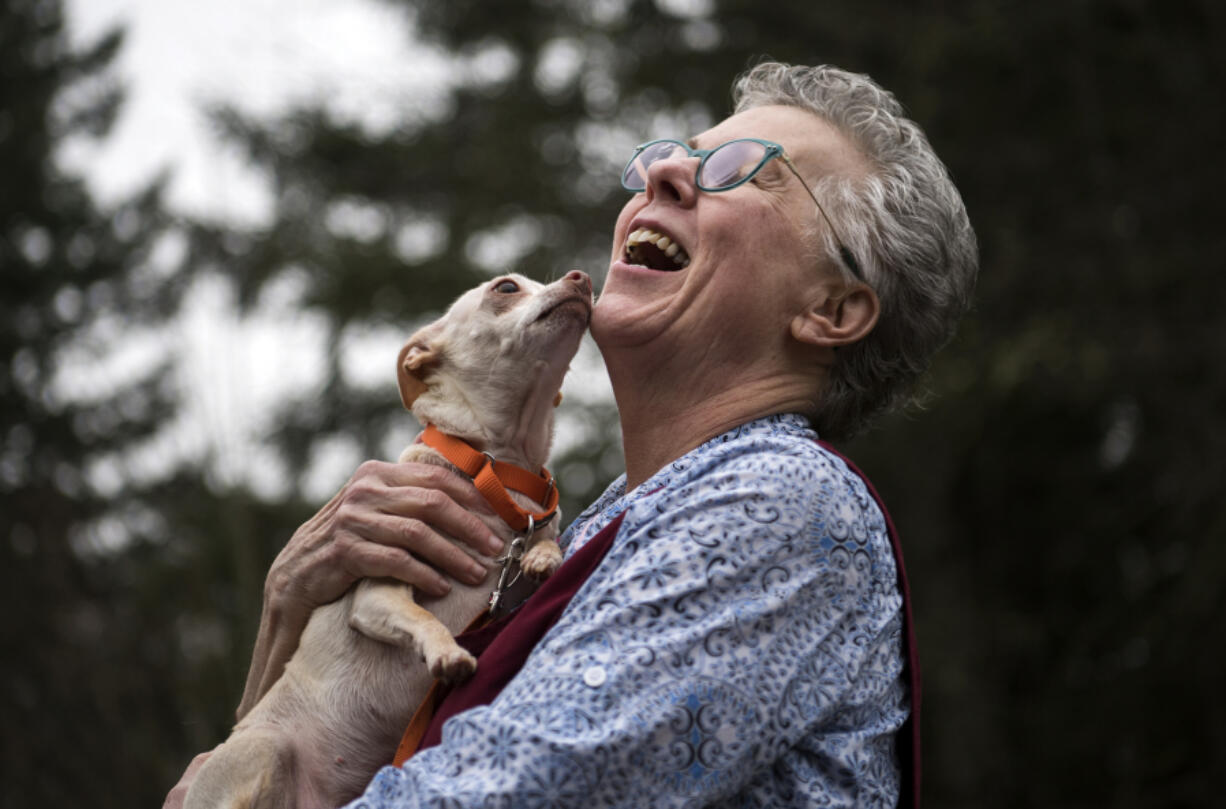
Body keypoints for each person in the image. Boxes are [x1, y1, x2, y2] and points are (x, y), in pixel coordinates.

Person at [167, 61, 976, 809]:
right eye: (667, 156)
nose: (662, 172)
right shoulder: (596, 530)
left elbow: (502, 792)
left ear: (830, 311)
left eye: (739, 169)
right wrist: (285, 613)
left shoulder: (781, 503)